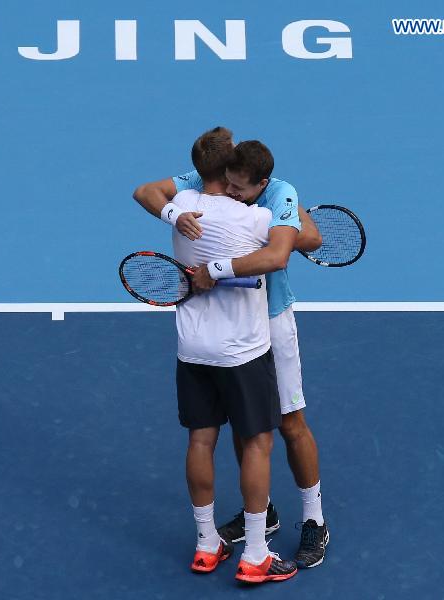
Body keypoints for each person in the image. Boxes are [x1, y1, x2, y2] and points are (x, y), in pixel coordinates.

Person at [133, 137, 330, 569]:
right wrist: (177, 215)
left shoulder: (279, 194)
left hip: (271, 320)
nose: (236, 195)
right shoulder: (209, 183)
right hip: (233, 332)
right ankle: (263, 514)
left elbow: (307, 240)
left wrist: (242, 250)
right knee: (248, 431)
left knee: (289, 423)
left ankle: (314, 519)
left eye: (244, 189)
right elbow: (148, 190)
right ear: (224, 176)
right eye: (232, 187)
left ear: (258, 181)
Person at [164, 126, 297, 583]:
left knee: (200, 442)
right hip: (242, 351)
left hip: (192, 348)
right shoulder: (255, 221)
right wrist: (280, 195)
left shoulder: (180, 209)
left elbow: (146, 192)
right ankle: (256, 552)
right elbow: (300, 244)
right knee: (258, 443)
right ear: (230, 171)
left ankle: (206, 544)